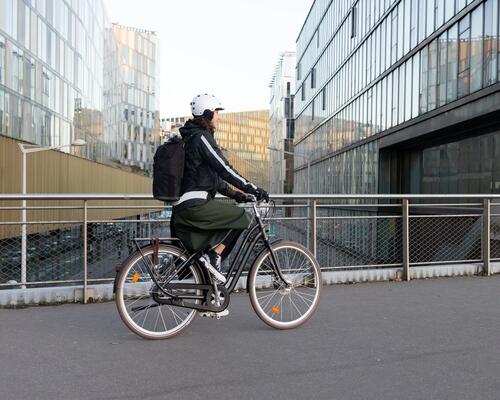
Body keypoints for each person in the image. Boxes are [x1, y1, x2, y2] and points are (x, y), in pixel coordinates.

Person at [170, 94, 269, 303]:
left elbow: (215, 181)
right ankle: (215, 255)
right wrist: (253, 188)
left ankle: (210, 300)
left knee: (207, 251)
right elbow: (224, 169)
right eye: (217, 113)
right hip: (195, 205)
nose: (219, 118)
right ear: (207, 114)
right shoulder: (202, 138)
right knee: (241, 216)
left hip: (188, 205)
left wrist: (239, 194)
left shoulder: (192, 138)